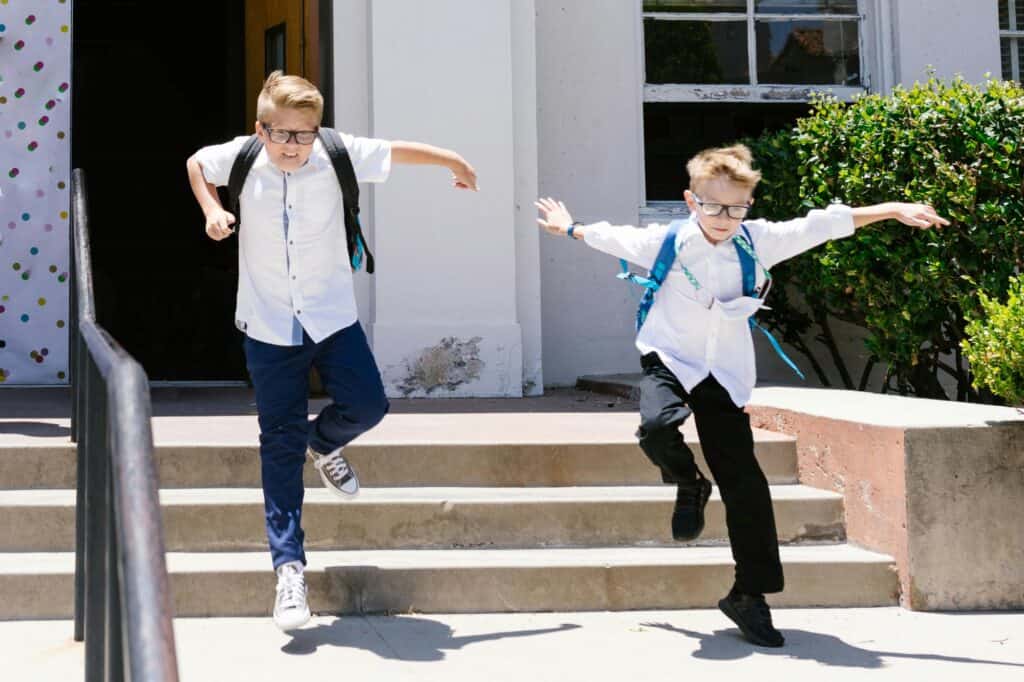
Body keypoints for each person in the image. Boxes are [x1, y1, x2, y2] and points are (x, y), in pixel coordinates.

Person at [535, 144, 947, 647]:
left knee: (746, 485)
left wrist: (890, 210)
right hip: (669, 358)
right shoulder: (667, 240)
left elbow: (819, 225)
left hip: (724, 373)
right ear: (691, 201)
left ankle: (749, 596)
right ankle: (688, 482)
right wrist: (569, 227)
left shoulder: (758, 241)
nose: (724, 218)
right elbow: (607, 236)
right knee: (658, 427)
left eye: (737, 208)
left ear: (749, 205)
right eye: (713, 207)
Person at [186, 71, 478, 631]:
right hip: (268, 322)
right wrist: (211, 210)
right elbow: (197, 164)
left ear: (317, 131)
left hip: (330, 316)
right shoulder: (242, 158)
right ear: (260, 129)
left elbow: (398, 150)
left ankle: (325, 444)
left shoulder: (335, 153)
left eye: (304, 134)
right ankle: (289, 570)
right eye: (281, 134)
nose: (293, 146)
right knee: (277, 442)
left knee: (369, 406)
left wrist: (454, 161)